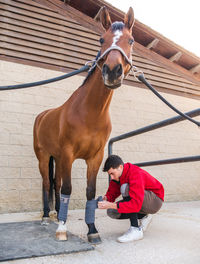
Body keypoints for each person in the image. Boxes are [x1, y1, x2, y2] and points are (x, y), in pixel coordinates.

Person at [98, 155, 164, 243]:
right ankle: (144, 216)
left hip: (155, 201)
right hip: (142, 200)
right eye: (110, 174)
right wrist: (107, 198)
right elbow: (112, 193)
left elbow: (135, 204)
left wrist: (112, 204)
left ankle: (135, 230)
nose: (112, 177)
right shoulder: (117, 177)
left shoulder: (134, 173)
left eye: (112, 173)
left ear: (120, 167)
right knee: (112, 211)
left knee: (125, 188)